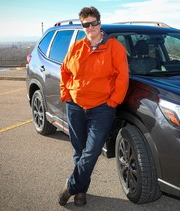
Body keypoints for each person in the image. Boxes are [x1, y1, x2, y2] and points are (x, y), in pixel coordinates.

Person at [58, 6, 129, 206]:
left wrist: (113, 101)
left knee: (92, 151)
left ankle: (70, 186)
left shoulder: (115, 47)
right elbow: (64, 71)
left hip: (101, 108)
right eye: (85, 25)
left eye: (93, 23)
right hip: (75, 106)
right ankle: (81, 192)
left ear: (99, 22)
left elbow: (122, 78)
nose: (90, 27)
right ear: (82, 26)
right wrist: (66, 94)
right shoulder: (76, 48)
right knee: (79, 151)